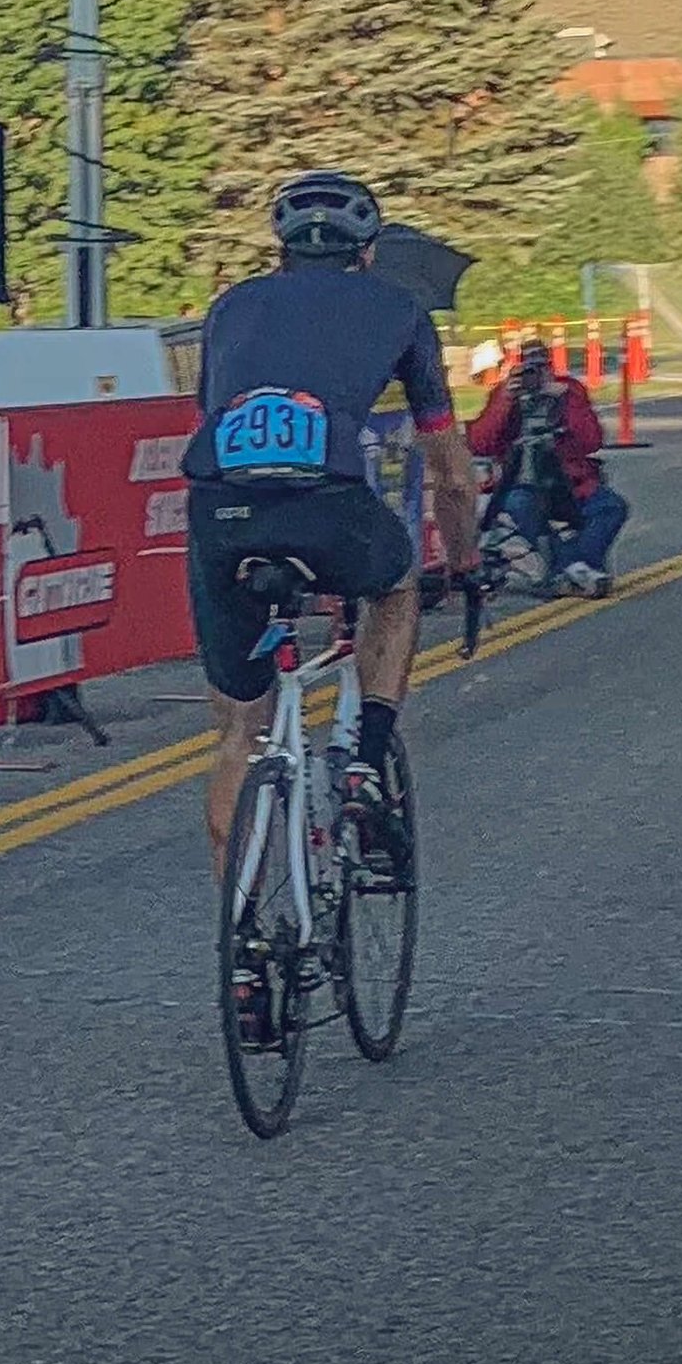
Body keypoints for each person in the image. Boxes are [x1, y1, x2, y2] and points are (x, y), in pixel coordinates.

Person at [183, 172, 480, 894]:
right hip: (330, 504)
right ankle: (365, 761)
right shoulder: (400, 310)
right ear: (368, 251)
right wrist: (465, 563)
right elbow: (451, 474)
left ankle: (243, 951)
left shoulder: (229, 308)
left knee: (239, 736)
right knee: (397, 583)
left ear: (280, 250)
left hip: (222, 508)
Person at [467, 334, 629, 596]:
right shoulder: (506, 393)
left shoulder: (569, 390)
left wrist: (565, 401)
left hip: (569, 482)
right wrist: (506, 400)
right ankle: (575, 569)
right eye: (529, 368)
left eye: (540, 367)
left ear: (550, 365)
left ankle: (573, 568)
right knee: (519, 504)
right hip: (521, 481)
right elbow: (480, 443)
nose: (535, 375)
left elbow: (592, 440)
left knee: (613, 507)